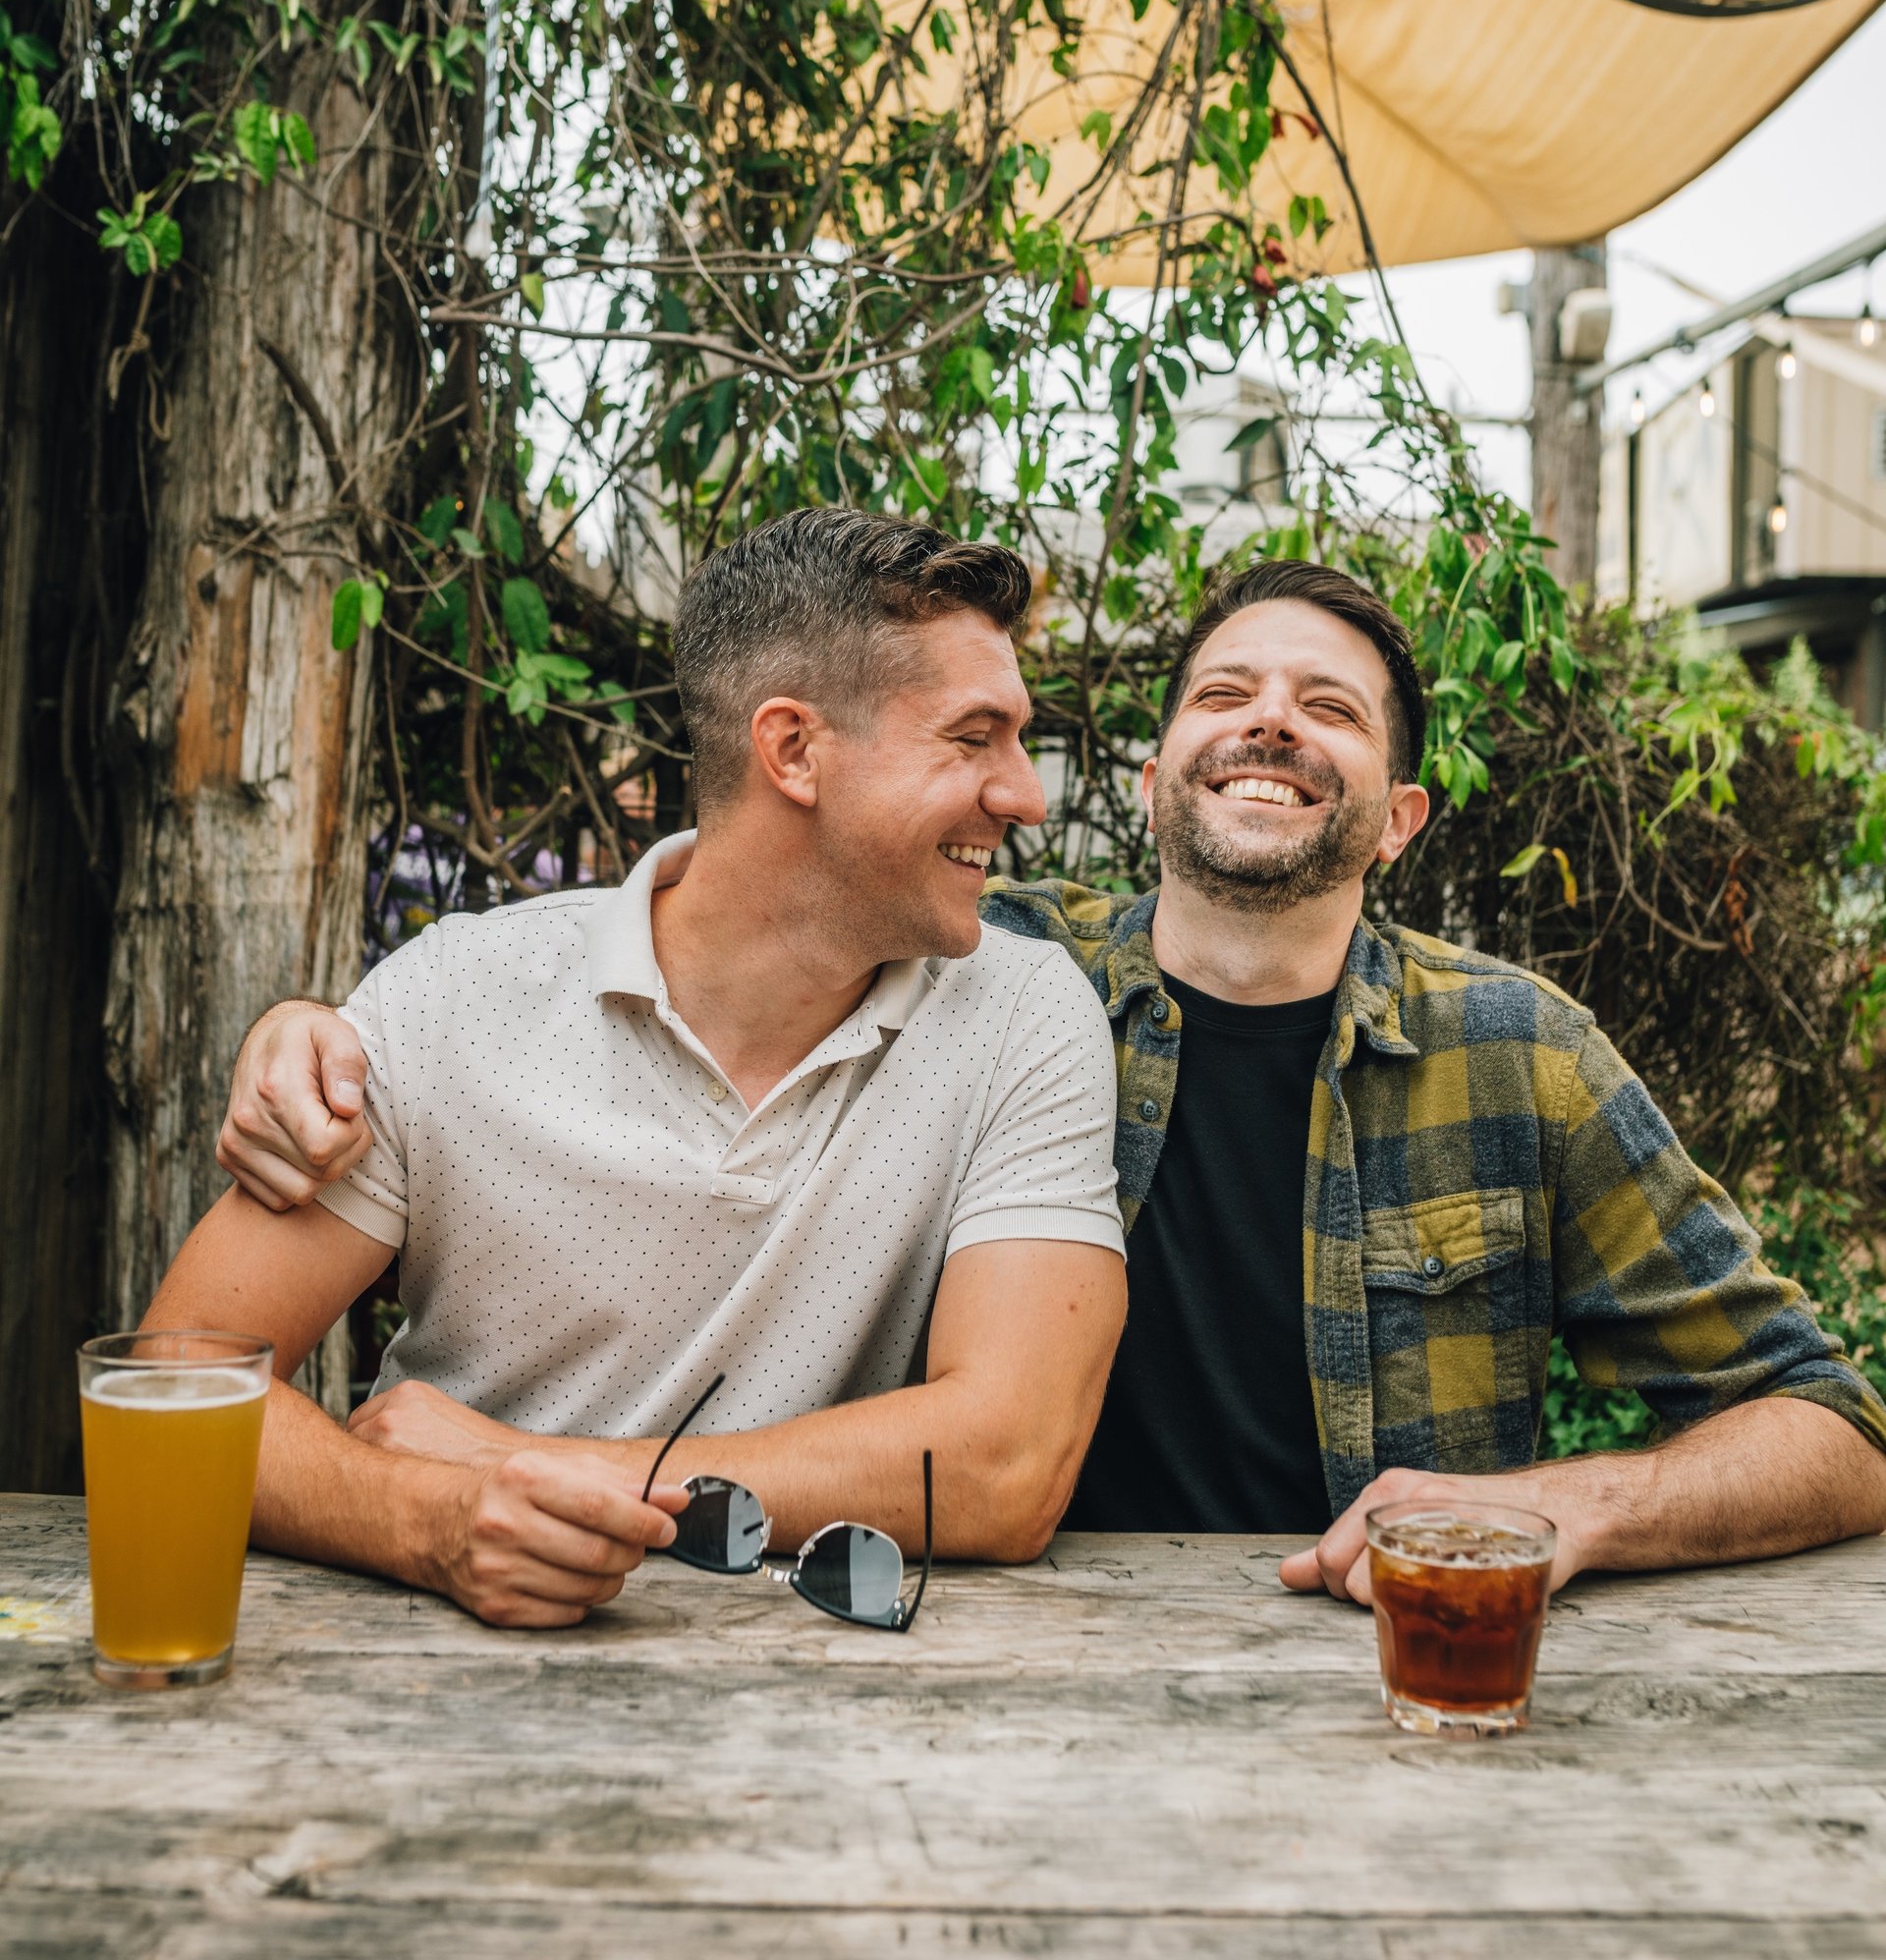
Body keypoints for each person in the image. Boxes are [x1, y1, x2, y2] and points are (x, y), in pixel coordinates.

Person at [222, 555, 1886, 1603]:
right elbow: (756, 908)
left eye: (1332, 710)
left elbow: (1833, 1432)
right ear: (1159, 770)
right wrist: (329, 1025)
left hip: (1364, 1674)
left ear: (1399, 819)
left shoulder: (1518, 1054)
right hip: (999, 1669)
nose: (1269, 725)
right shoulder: (988, 962)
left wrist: (1564, 1511)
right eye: (1223, 694)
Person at [146, 511, 1129, 1628]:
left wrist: (529, 1467)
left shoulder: (1021, 1011)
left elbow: (1007, 1466)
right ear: (794, 750)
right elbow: (179, 1381)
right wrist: (425, 1523)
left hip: (823, 1694)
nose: (1026, 793)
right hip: (423, 1675)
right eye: (972, 738)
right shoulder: (458, 997)